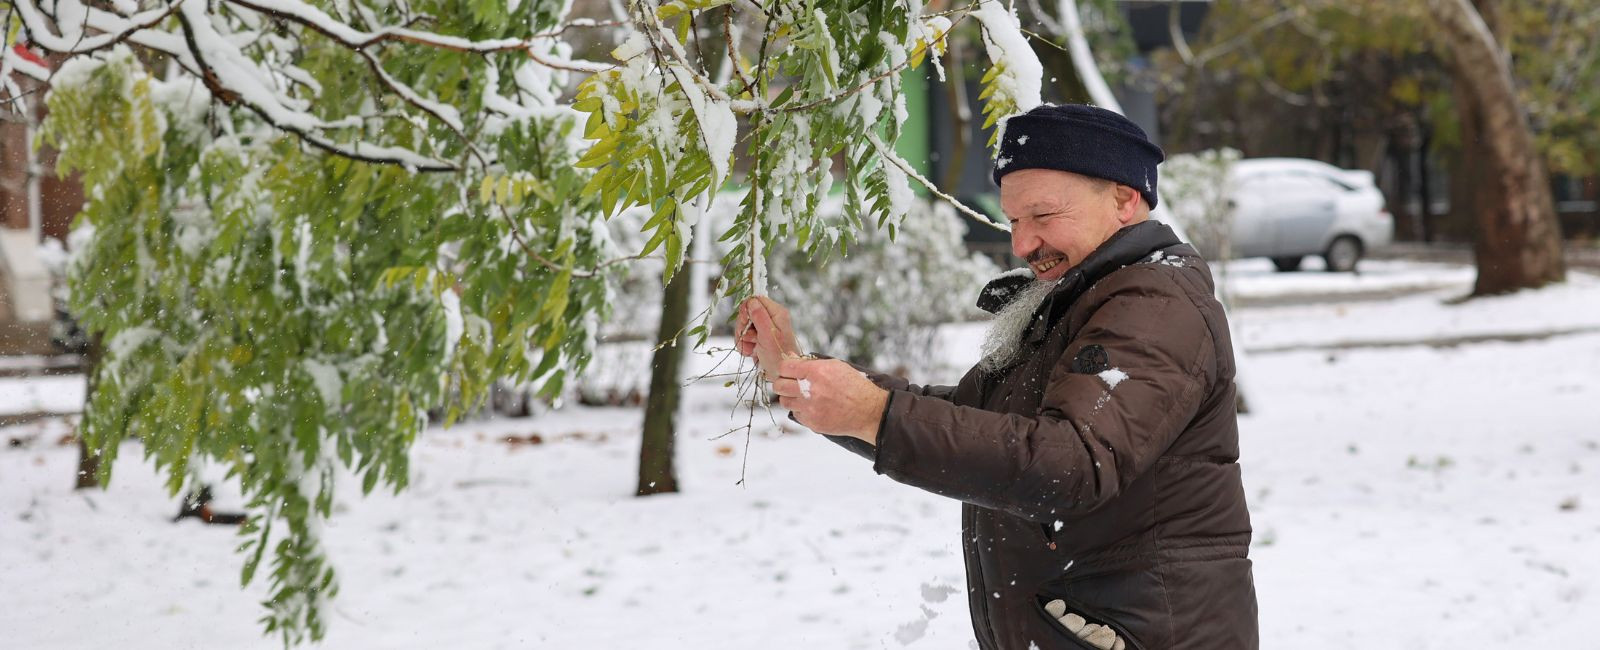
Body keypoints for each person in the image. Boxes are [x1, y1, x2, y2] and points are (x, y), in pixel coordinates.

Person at [736, 104, 1258, 649]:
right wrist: (811, 380)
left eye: (1043, 215)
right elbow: (970, 424)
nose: (1022, 244)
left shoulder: (1153, 304)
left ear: (1125, 198)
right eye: (1013, 220)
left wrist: (874, 413)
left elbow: (1071, 464)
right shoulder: (1084, 298)